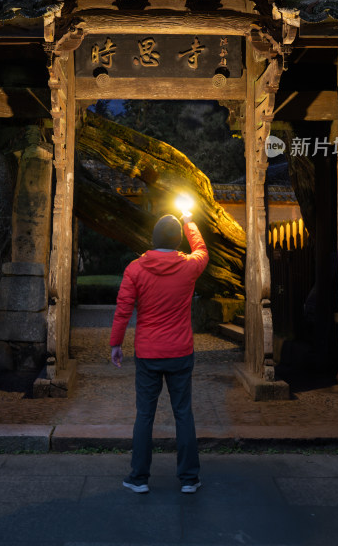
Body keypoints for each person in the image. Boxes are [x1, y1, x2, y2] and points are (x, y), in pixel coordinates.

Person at [110, 210, 209, 494]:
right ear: (178, 240)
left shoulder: (135, 269)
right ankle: (189, 479)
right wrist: (190, 221)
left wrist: (116, 344)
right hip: (180, 351)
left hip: (148, 353)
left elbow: (123, 310)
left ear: (152, 239)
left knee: (145, 415)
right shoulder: (190, 266)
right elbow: (201, 249)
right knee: (183, 413)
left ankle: (139, 478)